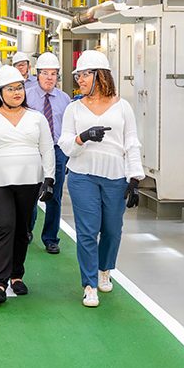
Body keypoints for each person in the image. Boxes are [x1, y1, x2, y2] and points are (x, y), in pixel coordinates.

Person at [58, 50, 144, 308]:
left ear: (100, 76)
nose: (80, 80)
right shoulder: (73, 109)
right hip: (82, 176)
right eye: (78, 75)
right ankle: (89, 285)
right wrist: (82, 137)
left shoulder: (123, 106)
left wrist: (135, 176)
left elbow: (131, 141)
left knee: (111, 230)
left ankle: (104, 269)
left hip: (115, 177)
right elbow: (64, 144)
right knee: (87, 230)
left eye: (85, 74)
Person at [0, 65, 55, 303]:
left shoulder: (37, 118)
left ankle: (16, 276)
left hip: (29, 179)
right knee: (3, 227)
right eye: (10, 89)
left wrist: (49, 178)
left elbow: (47, 148)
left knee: (22, 230)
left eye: (19, 88)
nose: (17, 92)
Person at [26, 52, 72, 254]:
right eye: (45, 73)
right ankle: (26, 231)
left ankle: (51, 238)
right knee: (30, 193)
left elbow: (69, 128)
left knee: (54, 195)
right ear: (37, 74)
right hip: (33, 151)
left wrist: (67, 154)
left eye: (54, 74)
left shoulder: (65, 99)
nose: (50, 78)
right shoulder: (26, 96)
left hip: (57, 151)